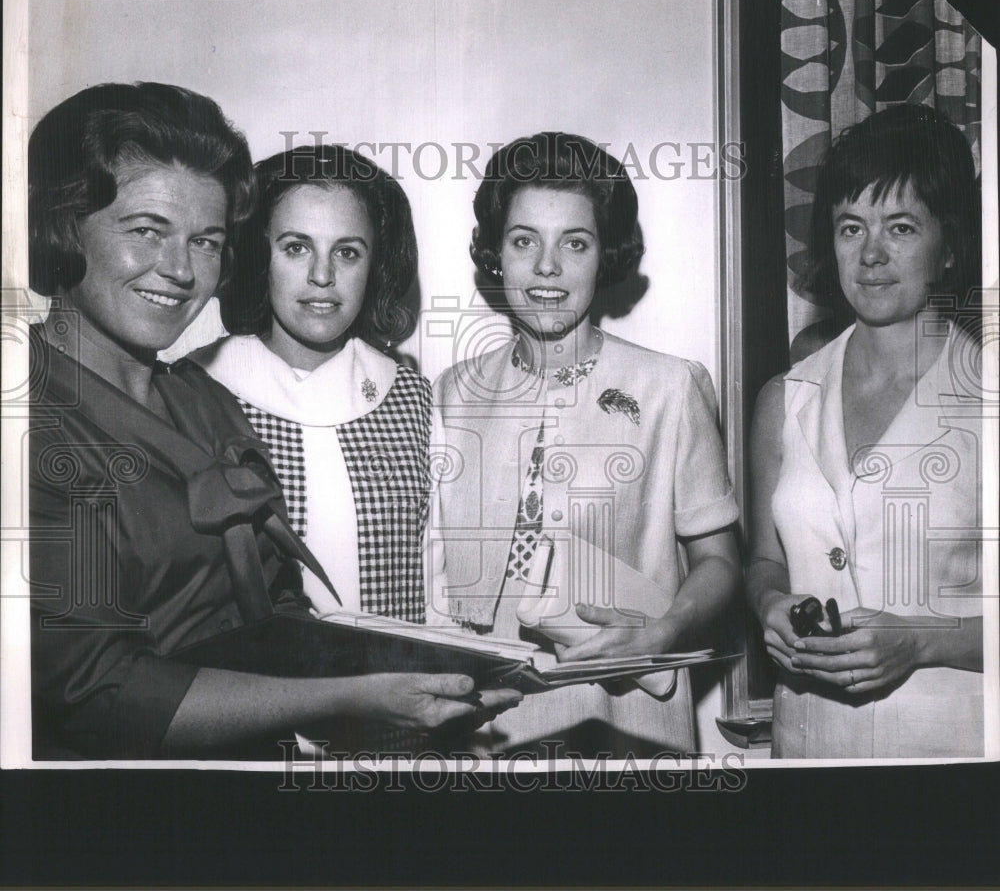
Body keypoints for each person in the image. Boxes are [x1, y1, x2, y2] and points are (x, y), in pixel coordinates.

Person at [27, 82, 520, 760]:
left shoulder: (202, 401)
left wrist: (431, 684)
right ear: (62, 226)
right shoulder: (28, 424)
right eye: (147, 230)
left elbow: (276, 611)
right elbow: (97, 694)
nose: (178, 270)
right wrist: (352, 701)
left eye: (205, 241)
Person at [429, 132, 741, 756]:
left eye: (575, 242)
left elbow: (722, 564)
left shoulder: (669, 387)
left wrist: (664, 632)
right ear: (495, 254)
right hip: (485, 731)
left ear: (607, 256)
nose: (547, 267)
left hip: (628, 727)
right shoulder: (450, 393)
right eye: (524, 242)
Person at [747, 104, 985, 758]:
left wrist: (920, 639)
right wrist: (770, 606)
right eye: (851, 227)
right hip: (809, 748)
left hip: (952, 759)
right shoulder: (784, 398)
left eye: (900, 227)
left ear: (951, 244)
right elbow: (766, 561)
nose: (871, 254)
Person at [192, 144, 428, 624]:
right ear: (261, 257)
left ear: (375, 265)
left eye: (347, 252)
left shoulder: (415, 399)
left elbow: (437, 583)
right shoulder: (197, 393)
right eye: (296, 247)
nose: (323, 276)